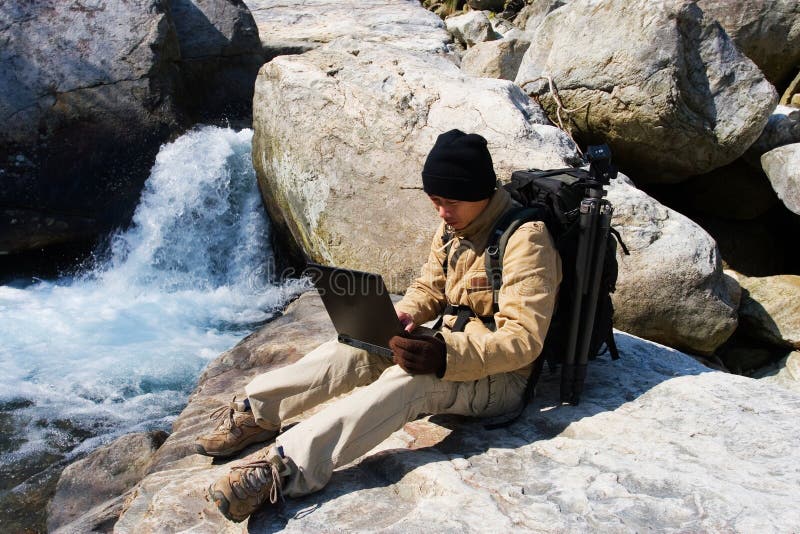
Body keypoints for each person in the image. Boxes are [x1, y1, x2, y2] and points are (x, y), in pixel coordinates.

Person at [199, 129, 562, 523]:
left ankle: (282, 468)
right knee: (355, 347)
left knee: (407, 383)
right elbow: (429, 286)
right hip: (447, 346)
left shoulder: (527, 241)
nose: (441, 212)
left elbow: (523, 340)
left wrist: (444, 356)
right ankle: (257, 412)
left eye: (450, 202)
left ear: (481, 194)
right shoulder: (455, 225)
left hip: (502, 379)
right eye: (435, 202)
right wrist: (404, 317)